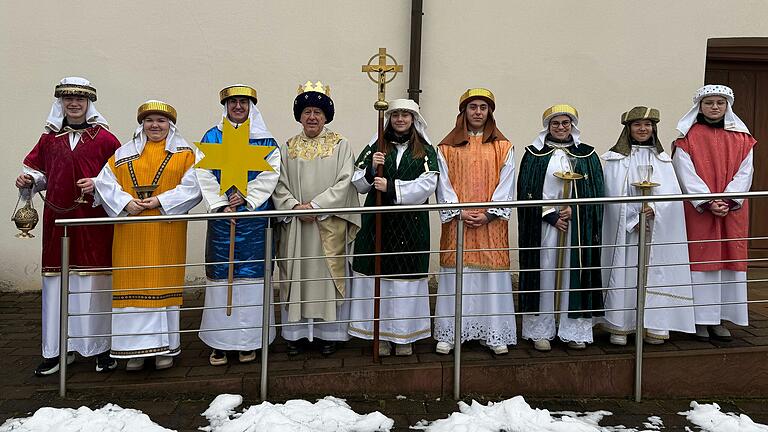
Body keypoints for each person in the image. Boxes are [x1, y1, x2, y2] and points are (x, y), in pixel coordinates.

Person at [16, 77, 121, 376]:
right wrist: (29, 181)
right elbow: (40, 175)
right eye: (67, 99)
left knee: (94, 285)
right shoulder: (48, 140)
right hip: (57, 222)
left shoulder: (106, 140)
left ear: (89, 103)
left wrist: (98, 184)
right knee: (57, 283)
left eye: (80, 99)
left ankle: (100, 348)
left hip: (93, 223)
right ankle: (57, 350)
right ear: (60, 103)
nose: (74, 104)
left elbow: (120, 179)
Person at [92, 100, 202, 371]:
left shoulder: (186, 153)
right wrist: (125, 203)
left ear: (170, 124)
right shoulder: (123, 153)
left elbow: (196, 185)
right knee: (131, 283)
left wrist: (160, 201)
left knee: (162, 282)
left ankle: (164, 348)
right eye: (150, 120)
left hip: (166, 230)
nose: (155, 125)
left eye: (161, 121)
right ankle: (132, 351)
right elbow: (104, 182)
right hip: (130, 231)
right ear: (142, 123)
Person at [272, 81, 360, 356]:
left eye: (317, 112)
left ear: (326, 116)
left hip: (327, 222)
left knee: (325, 276)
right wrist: (295, 207)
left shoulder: (341, 145)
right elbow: (278, 184)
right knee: (296, 275)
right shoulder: (287, 147)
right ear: (299, 115)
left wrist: (317, 206)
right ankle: (295, 335)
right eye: (307, 111)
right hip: (297, 224)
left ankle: (328, 334)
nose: (312, 117)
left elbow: (346, 182)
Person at [195, 85, 280, 365]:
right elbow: (204, 173)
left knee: (252, 280)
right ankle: (220, 342)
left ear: (251, 106)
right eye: (234, 102)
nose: (238, 107)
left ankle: (249, 341)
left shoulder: (265, 140)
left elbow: (271, 175)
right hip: (223, 220)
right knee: (222, 280)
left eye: (244, 102)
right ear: (226, 105)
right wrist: (222, 203)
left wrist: (245, 198)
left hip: (253, 220)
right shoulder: (212, 137)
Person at [348, 99, 438, 356]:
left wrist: (392, 187)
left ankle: (404, 335)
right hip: (377, 224)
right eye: (396, 114)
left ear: (413, 119)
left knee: (404, 281)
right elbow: (357, 181)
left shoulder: (425, 150)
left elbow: (429, 183)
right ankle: (380, 335)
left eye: (405, 115)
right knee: (379, 279)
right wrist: (368, 169)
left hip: (411, 224)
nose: (400, 119)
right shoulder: (376, 145)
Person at [600, 106, 696, 345]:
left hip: (655, 229)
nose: (643, 129)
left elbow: (672, 195)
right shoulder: (615, 159)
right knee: (625, 270)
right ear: (628, 129)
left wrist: (654, 208)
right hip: (626, 232)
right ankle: (620, 326)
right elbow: (611, 197)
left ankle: (655, 324)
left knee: (656, 271)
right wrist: (633, 217)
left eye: (648, 125)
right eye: (637, 125)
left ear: (654, 128)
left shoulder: (663, 159)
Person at [433, 88, 516, 355]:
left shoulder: (504, 147)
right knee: (457, 276)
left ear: (490, 111)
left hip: (491, 225)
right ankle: (451, 333)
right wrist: (458, 211)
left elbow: (507, 182)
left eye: (483, 107)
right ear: (464, 112)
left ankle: (494, 334)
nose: (478, 112)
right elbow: (442, 183)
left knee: (490, 279)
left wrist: (490, 213)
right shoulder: (446, 148)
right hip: (458, 222)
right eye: (473, 107)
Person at [671, 85, 756, 341]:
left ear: (727, 106)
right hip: (700, 212)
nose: (715, 107)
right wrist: (708, 201)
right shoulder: (687, 138)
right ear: (700, 106)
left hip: (732, 212)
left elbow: (746, 171)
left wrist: (729, 200)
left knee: (729, 262)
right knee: (702, 262)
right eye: (709, 103)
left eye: (720, 102)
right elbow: (683, 171)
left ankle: (719, 318)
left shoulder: (743, 138)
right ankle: (699, 319)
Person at [517, 104, 604, 351]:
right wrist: (550, 214)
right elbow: (527, 191)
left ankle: (573, 329)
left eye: (565, 123)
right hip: (544, 226)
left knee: (572, 273)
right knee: (544, 271)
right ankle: (540, 330)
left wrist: (574, 210)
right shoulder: (534, 155)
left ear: (572, 126)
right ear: (548, 126)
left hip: (576, 228)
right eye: (555, 123)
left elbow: (596, 193)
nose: (561, 127)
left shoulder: (587, 155)